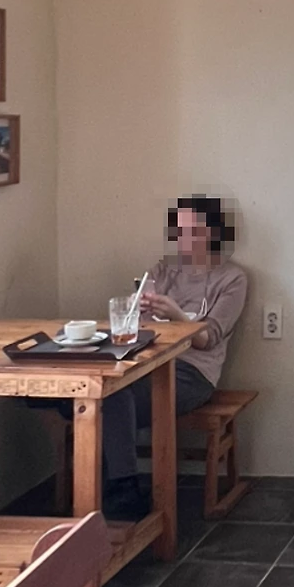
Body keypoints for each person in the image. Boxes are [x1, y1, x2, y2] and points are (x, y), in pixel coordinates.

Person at [101, 195, 248, 519]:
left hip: (192, 373)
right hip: (145, 363)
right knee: (102, 389)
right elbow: (135, 326)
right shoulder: (163, 271)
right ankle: (104, 492)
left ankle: (123, 490)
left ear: (212, 232)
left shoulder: (232, 279)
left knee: (113, 397)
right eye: (179, 231)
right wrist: (139, 310)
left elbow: (208, 339)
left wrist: (177, 315)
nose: (184, 239)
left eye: (193, 231)